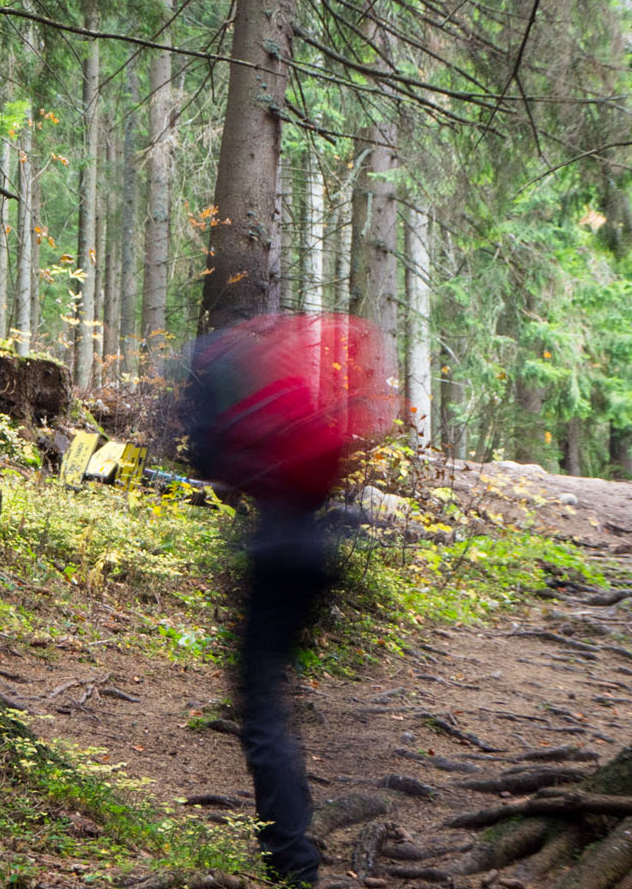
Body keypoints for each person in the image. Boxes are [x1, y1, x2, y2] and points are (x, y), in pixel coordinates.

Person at [183, 313, 392, 886]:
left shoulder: (245, 401)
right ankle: (293, 843)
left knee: (262, 709)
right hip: (316, 550)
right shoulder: (291, 403)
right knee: (272, 700)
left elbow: (211, 459)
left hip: (277, 554)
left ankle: (291, 861)